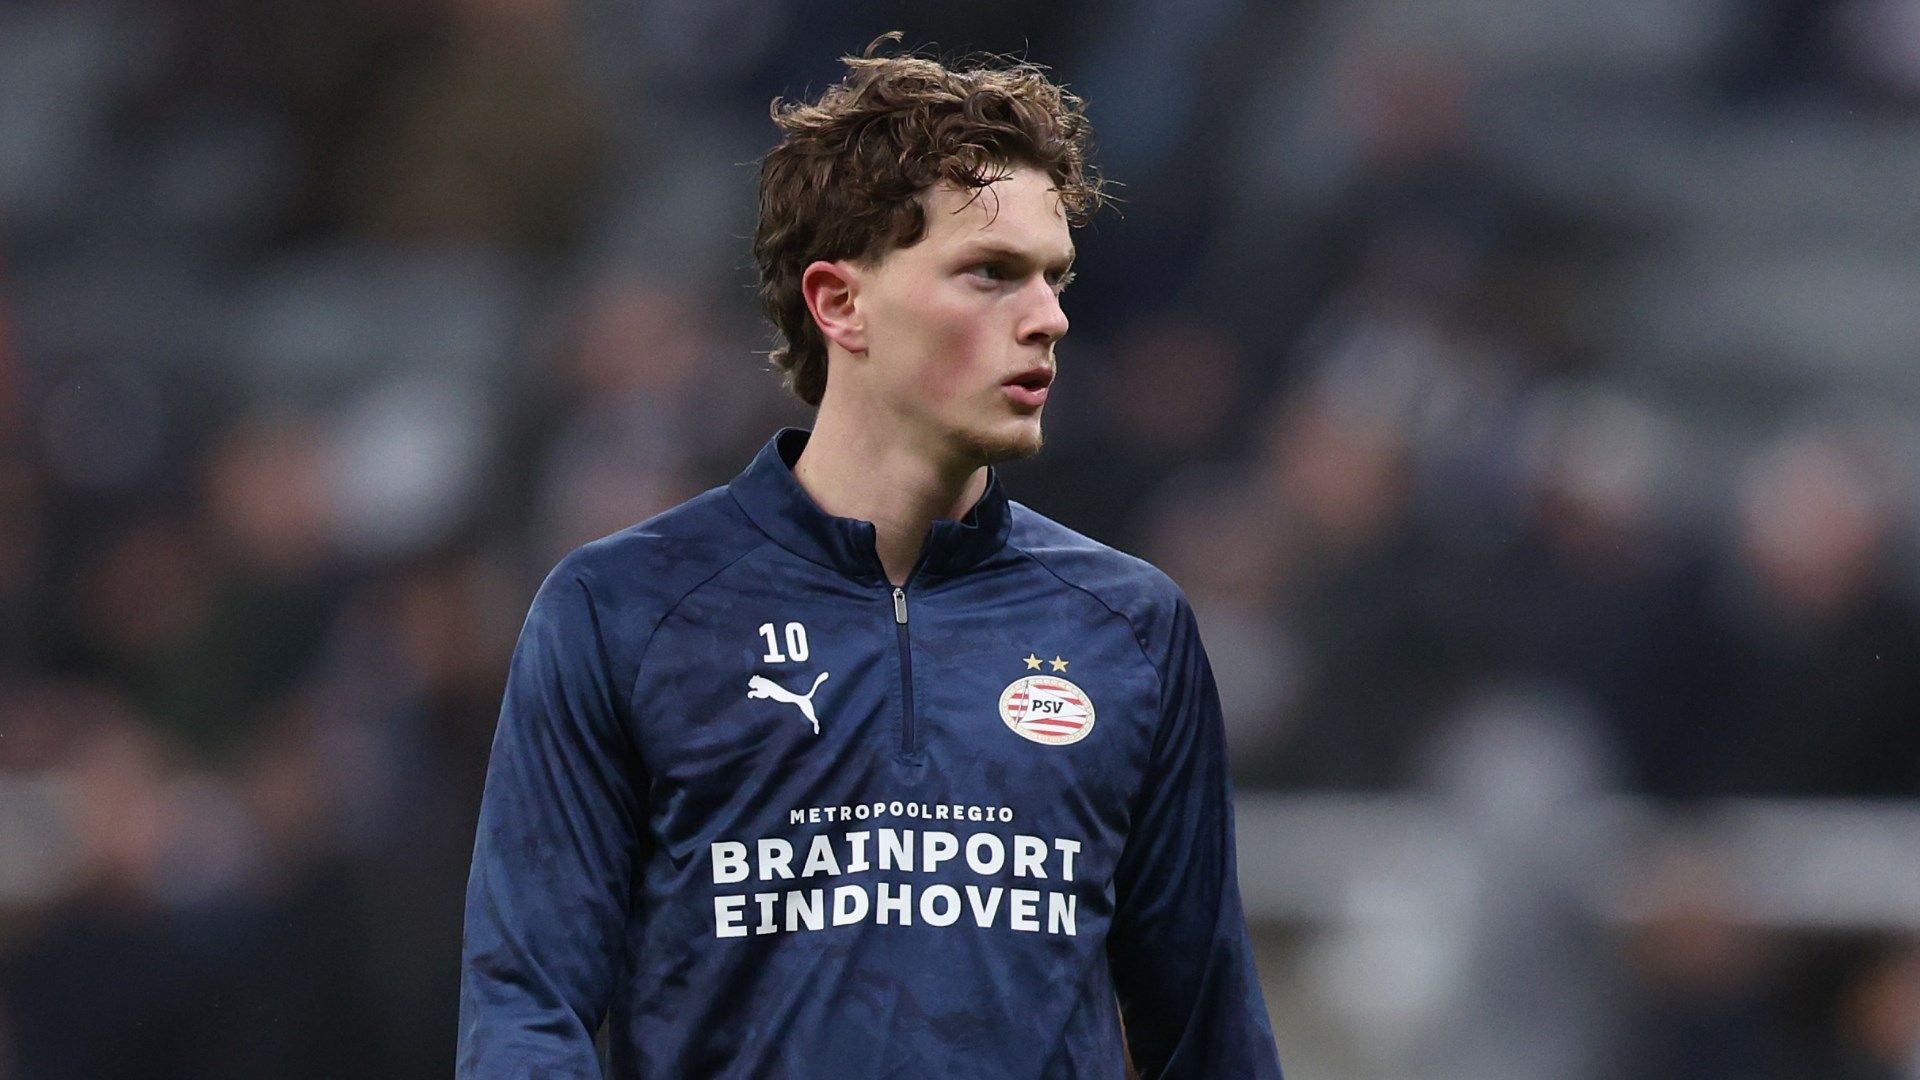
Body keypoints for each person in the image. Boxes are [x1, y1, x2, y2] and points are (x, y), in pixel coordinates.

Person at [458, 33, 1284, 1079]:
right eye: (991, 275)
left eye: (1055, 278)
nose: (1048, 319)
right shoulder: (621, 608)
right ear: (840, 303)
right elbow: (527, 1012)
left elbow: (1208, 1038)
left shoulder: (1130, 627)